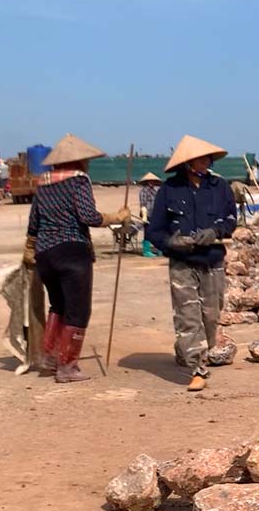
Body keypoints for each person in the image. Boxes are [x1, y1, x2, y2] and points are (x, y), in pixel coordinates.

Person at [24, 134, 130, 382]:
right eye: (87, 161)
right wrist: (117, 217)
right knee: (78, 310)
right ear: (79, 162)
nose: (88, 166)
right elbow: (88, 216)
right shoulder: (79, 182)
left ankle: (50, 358)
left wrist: (30, 248)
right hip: (73, 252)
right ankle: (67, 367)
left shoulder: (43, 183)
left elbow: (33, 223)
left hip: (46, 253)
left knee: (58, 305)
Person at [145, 134, 238, 392]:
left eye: (208, 158)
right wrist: (172, 243)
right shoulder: (169, 190)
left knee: (211, 315)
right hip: (182, 263)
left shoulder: (220, 187)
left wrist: (216, 232)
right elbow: (154, 231)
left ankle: (184, 349)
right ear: (187, 163)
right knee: (188, 316)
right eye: (200, 159)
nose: (206, 162)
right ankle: (197, 367)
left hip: (212, 261)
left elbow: (231, 219)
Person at [138, 172, 163, 257]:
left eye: (153, 181)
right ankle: (146, 251)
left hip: (156, 213)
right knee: (148, 232)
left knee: (158, 231)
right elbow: (143, 204)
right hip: (147, 214)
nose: (151, 183)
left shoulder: (157, 190)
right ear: (147, 182)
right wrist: (144, 216)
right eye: (149, 181)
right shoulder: (143, 191)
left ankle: (160, 249)